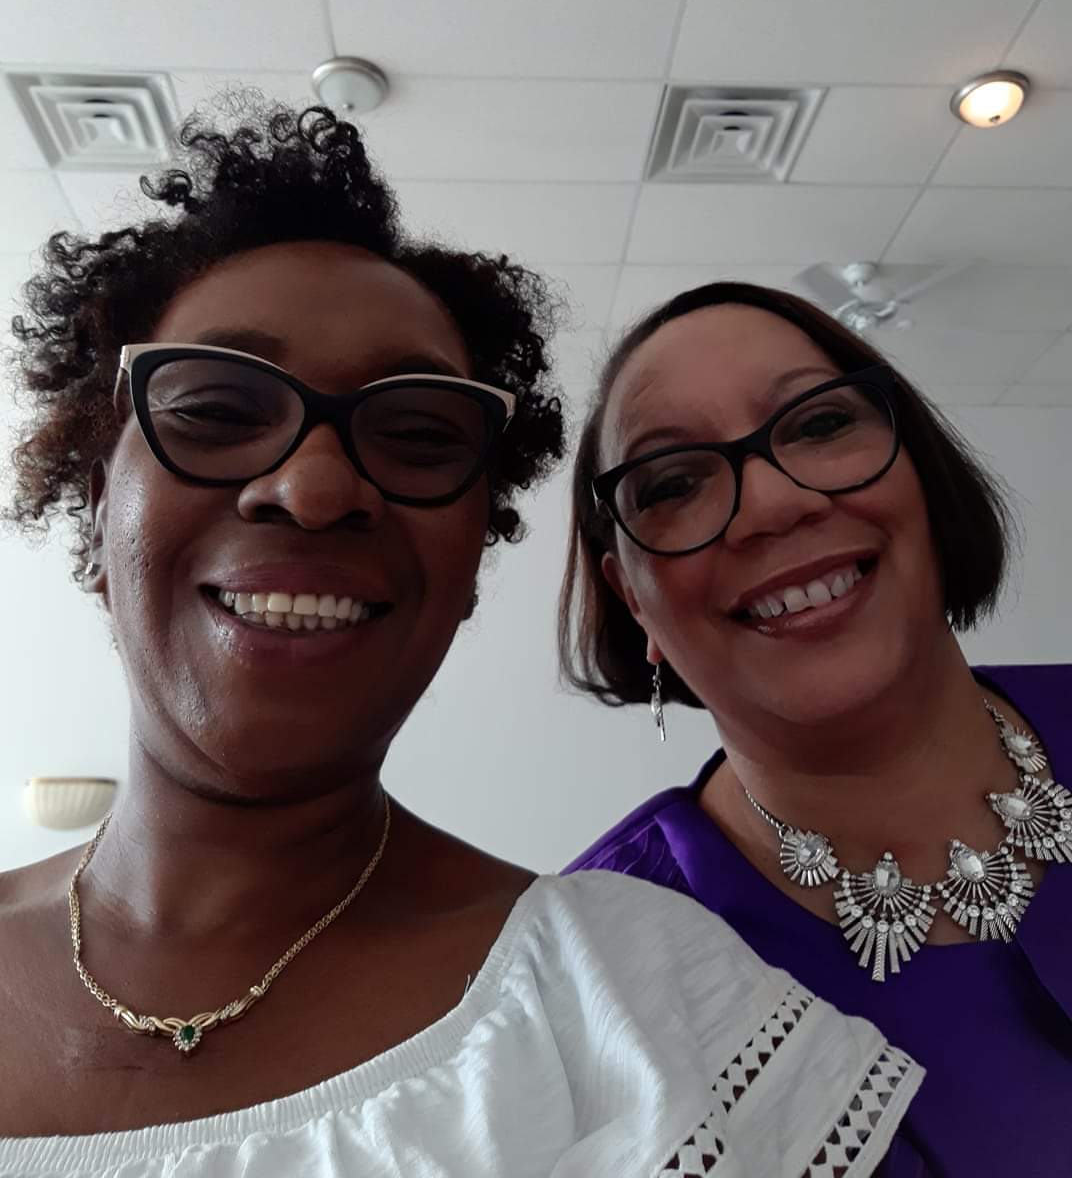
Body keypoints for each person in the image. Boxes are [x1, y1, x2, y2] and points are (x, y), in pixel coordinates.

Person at [0, 112, 920, 1177]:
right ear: (98, 492)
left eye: (419, 435)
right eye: (215, 409)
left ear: (471, 552)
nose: (314, 486)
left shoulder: (637, 1004)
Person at [561, 279, 1072, 1176]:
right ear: (628, 596)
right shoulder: (595, 991)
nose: (771, 506)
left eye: (820, 426)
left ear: (920, 468)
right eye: (673, 482)